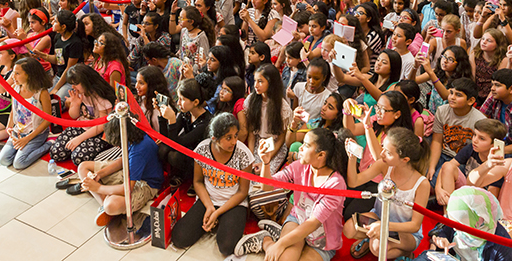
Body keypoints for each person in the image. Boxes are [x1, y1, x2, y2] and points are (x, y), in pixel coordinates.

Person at [233, 128, 348, 261]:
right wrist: (266, 162)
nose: (300, 148)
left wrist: (281, 244)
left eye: (306, 145)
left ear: (321, 155)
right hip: (298, 220)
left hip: (321, 243)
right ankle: (266, 240)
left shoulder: (335, 184)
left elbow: (312, 223)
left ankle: (273, 240)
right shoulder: (299, 166)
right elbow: (267, 186)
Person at [171, 113, 254, 256]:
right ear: (214, 138)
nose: (234, 141)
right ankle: (214, 221)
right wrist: (210, 206)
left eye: (235, 135)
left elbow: (242, 192)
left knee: (226, 247)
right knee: (179, 238)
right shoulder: (202, 150)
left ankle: (220, 220)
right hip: (208, 199)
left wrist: (217, 213)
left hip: (233, 202)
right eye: (229, 137)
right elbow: (197, 182)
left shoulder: (243, 154)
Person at [343, 127, 430, 259]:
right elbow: (354, 182)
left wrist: (384, 226)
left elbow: (414, 225)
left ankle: (404, 252)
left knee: (377, 248)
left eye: (388, 152)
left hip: (404, 231)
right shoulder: (384, 165)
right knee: (349, 229)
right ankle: (371, 239)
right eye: (382, 147)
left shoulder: (422, 184)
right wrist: (352, 158)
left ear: (405, 159)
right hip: (379, 216)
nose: (381, 154)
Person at [77, 112, 162, 227]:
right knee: (83, 167)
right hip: (129, 172)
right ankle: (105, 202)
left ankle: (107, 205)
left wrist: (98, 187)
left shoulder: (139, 150)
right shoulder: (133, 135)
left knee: (111, 205)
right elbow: (122, 161)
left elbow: (127, 189)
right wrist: (99, 174)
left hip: (145, 184)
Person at [0, 57, 54, 170]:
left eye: (17, 73)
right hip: (18, 131)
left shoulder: (41, 93)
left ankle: (49, 144)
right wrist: (9, 127)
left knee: (19, 163)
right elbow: (14, 110)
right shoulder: (16, 88)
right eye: (13, 72)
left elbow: (48, 118)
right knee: (3, 160)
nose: (13, 76)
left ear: (29, 75)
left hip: (36, 134)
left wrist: (27, 139)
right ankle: (22, 148)